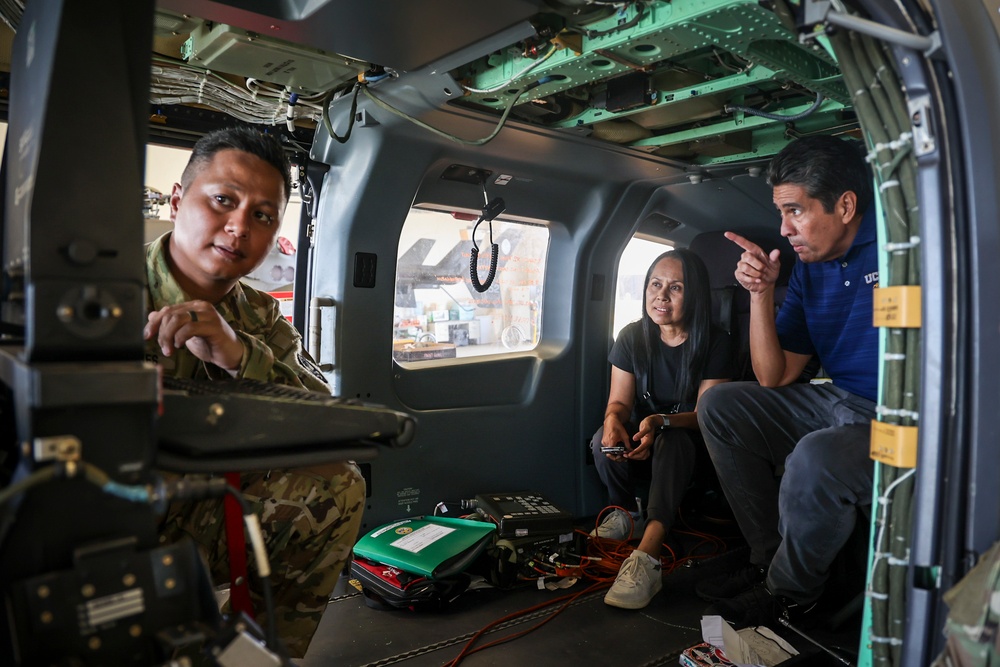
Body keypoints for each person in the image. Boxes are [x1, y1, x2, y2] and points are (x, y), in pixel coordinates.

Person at [145, 126, 366, 658]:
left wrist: (239, 355)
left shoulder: (258, 315)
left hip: (200, 510)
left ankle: (255, 653)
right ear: (178, 201)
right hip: (103, 511)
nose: (239, 226)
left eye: (262, 215)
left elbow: (325, 418)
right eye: (223, 200)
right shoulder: (101, 296)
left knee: (339, 485)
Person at [695, 135, 879, 627]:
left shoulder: (900, 245)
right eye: (781, 214)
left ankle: (793, 595)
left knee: (817, 456)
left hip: (909, 423)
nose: (785, 229)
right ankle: (768, 561)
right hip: (845, 401)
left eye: (795, 211)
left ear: (845, 205)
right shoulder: (809, 270)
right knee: (720, 405)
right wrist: (760, 292)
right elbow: (774, 378)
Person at [591, 249, 734, 609]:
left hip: (696, 448)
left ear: (695, 295)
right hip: (647, 437)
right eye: (655, 284)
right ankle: (625, 514)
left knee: (674, 440)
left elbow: (706, 415)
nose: (661, 295)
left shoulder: (717, 342)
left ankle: (648, 553)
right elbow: (619, 404)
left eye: (676, 287)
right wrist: (612, 423)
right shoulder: (631, 337)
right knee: (600, 440)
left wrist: (659, 422)